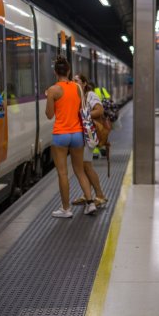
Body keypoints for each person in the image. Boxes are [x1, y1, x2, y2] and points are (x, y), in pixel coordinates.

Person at [45, 56, 96, 218]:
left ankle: (66, 209)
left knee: (63, 173)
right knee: (79, 170)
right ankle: (90, 203)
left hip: (61, 134)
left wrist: (51, 100)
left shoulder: (53, 90)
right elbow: (82, 110)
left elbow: (49, 115)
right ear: (68, 71)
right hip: (77, 134)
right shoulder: (78, 88)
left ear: (55, 72)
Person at [71, 74, 108, 209]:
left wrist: (83, 116)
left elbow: (99, 110)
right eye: (72, 81)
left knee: (86, 166)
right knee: (83, 167)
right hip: (80, 135)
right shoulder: (77, 96)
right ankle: (87, 195)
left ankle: (100, 195)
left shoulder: (90, 95)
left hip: (89, 135)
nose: (74, 83)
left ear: (84, 83)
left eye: (76, 81)